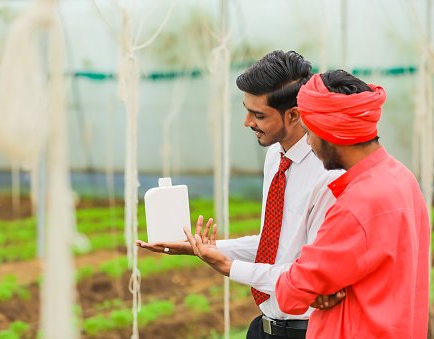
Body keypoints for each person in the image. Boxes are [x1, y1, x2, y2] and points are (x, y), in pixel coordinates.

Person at [137, 50, 344, 339]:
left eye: (258, 115)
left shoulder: (327, 174)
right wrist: (207, 249)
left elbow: (308, 273)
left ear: (294, 115)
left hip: (307, 330)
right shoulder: (275, 157)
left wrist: (230, 266)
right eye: (246, 110)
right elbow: (275, 242)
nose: (247, 122)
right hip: (265, 326)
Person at [270, 70, 430, 338]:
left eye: (310, 133)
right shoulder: (403, 178)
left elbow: (291, 292)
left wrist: (312, 289)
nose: (309, 143)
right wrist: (319, 288)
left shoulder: (357, 204)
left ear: (330, 133)